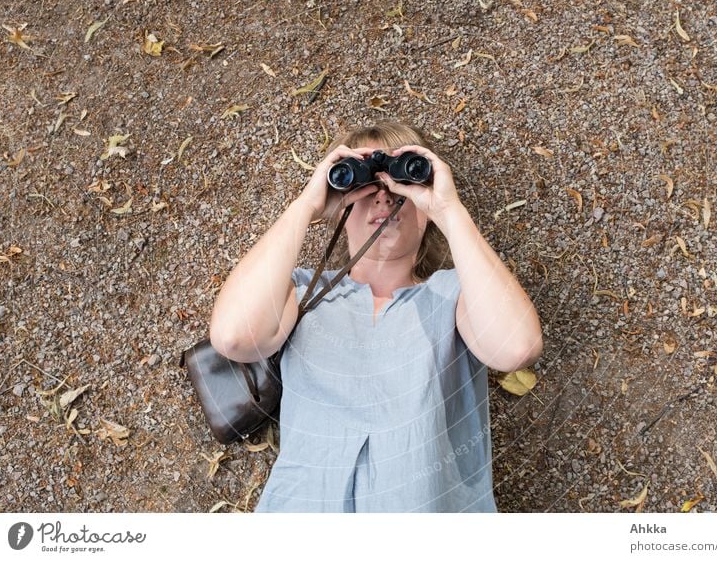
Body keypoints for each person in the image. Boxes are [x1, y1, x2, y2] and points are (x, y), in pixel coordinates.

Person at [209, 121, 543, 512]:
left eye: (400, 185)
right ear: (341, 204)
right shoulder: (301, 292)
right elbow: (234, 336)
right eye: (364, 186)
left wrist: (448, 210)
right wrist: (306, 207)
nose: (384, 200)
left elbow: (516, 347)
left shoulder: (456, 294)